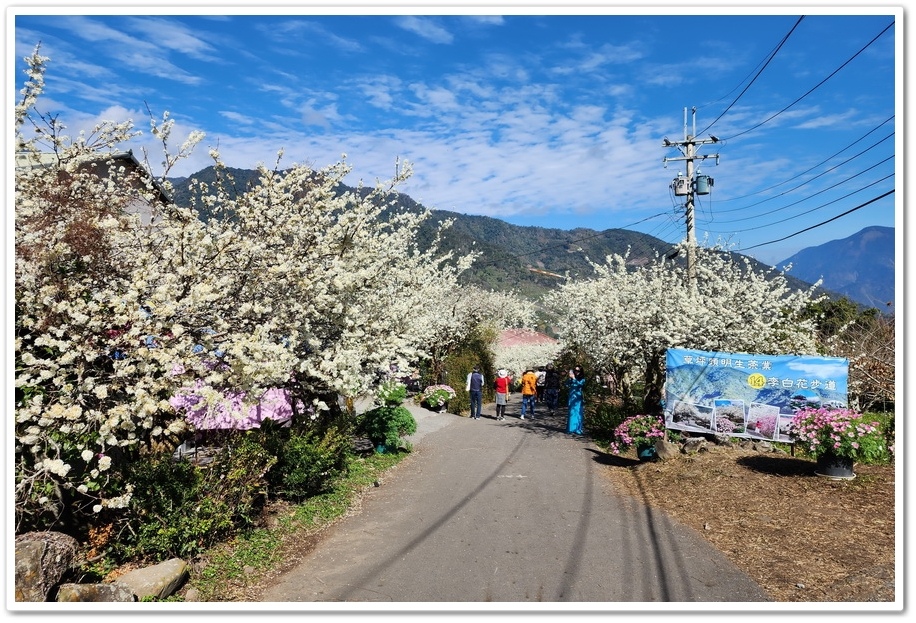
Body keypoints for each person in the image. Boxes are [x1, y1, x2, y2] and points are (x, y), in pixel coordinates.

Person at [565, 365, 586, 435]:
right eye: (575, 370)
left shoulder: (582, 379)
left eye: (578, 371)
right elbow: (566, 385)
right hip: (571, 396)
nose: (576, 372)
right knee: (571, 412)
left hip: (577, 397)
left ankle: (577, 428)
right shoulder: (572, 379)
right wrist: (570, 378)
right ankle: (570, 429)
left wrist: (574, 378)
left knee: (578, 412)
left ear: (581, 371)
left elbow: (580, 385)